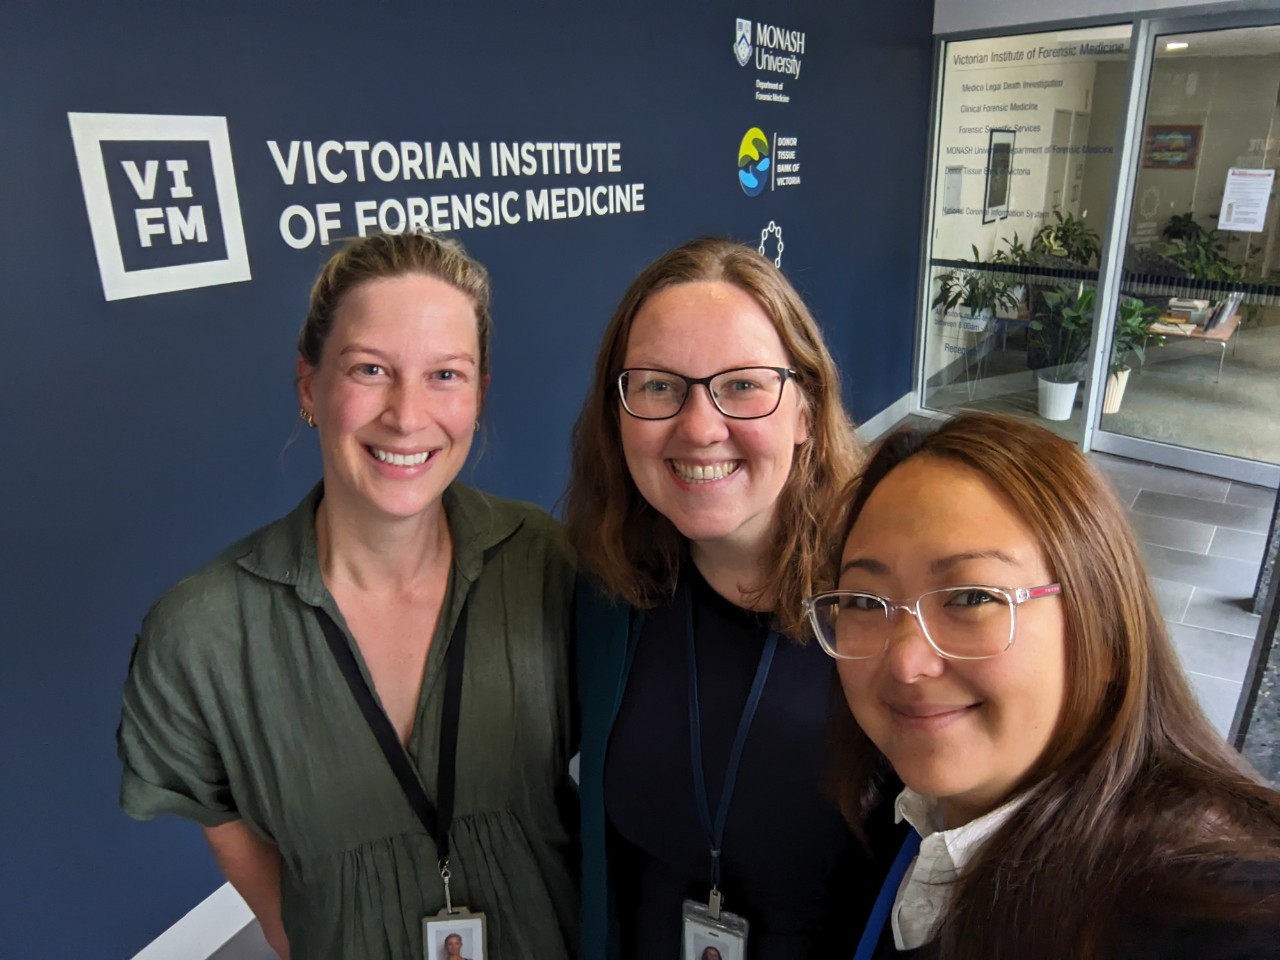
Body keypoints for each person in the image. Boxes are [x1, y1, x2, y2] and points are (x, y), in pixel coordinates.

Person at [117, 231, 578, 960]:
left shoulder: (546, 565)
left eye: (445, 375)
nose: (406, 413)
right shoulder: (201, 636)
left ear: (479, 396)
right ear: (310, 387)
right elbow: (221, 817)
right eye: (370, 369)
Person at [806, 412, 1280, 960]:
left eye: (972, 597)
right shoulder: (900, 809)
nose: (907, 662)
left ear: (1100, 631)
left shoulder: (1214, 911)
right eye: (866, 602)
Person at [567, 237, 893, 959]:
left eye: (742, 384)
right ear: (617, 413)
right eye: (658, 385)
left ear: (806, 409)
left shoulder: (889, 609)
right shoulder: (603, 595)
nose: (700, 426)